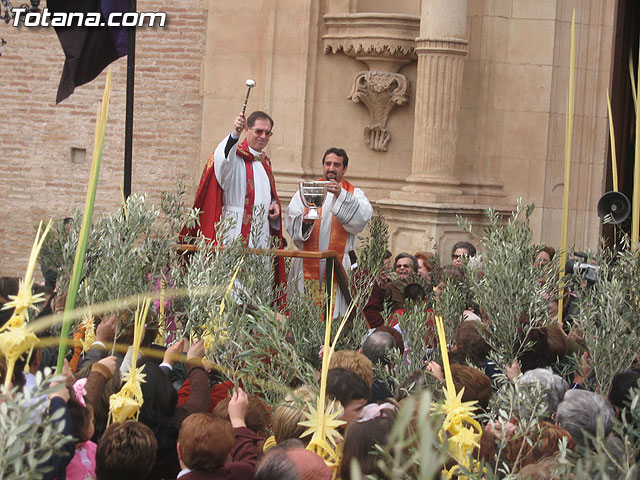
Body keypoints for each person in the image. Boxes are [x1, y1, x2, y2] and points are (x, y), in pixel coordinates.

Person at [180, 111, 285, 298]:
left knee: (258, 291)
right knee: (231, 291)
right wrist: (234, 134)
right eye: (259, 131)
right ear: (247, 129)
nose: (263, 136)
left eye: (268, 133)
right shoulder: (234, 156)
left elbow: (266, 195)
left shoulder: (264, 162)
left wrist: (274, 205)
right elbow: (222, 161)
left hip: (260, 235)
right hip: (233, 231)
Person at [285, 147, 373, 317]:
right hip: (307, 263)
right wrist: (305, 222)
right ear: (323, 165)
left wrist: (341, 196)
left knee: (334, 315)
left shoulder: (354, 194)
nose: (331, 168)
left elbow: (361, 219)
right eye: (328, 164)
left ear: (344, 168)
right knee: (306, 313)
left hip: (338, 264)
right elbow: (290, 219)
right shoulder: (307, 190)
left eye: (337, 165)